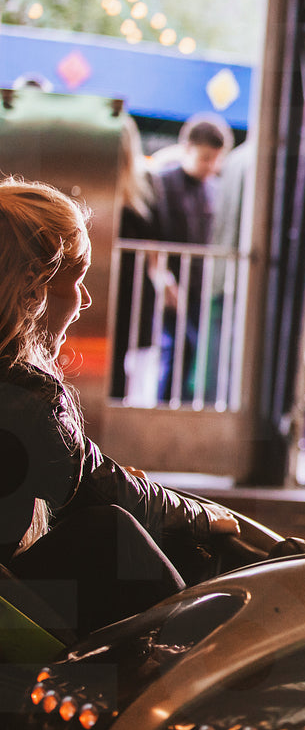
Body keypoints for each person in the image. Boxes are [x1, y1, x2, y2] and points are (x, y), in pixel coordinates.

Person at [0, 178, 239, 641]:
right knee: (109, 534)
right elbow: (109, 491)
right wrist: (202, 516)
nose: (85, 300)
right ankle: (197, 664)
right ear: (32, 287)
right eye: (77, 280)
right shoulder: (24, 395)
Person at [150, 111, 232, 403]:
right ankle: (164, 408)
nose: (211, 166)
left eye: (215, 159)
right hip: (171, 282)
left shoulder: (214, 189)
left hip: (201, 285)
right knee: (177, 349)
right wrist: (164, 279)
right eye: (205, 158)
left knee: (197, 353)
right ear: (187, 149)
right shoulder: (162, 183)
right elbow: (153, 235)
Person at [109, 112, 159, 401]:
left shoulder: (145, 184)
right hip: (125, 287)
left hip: (129, 289)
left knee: (121, 360)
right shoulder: (143, 187)